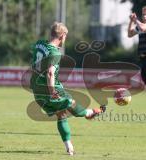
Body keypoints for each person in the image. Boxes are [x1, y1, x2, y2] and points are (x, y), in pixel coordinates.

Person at [30, 22, 106, 155]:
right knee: (71, 103)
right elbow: (50, 73)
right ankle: (88, 113)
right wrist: (52, 90)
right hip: (49, 88)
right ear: (62, 35)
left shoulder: (39, 43)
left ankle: (69, 147)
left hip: (36, 89)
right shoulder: (55, 53)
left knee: (61, 113)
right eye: (66, 36)